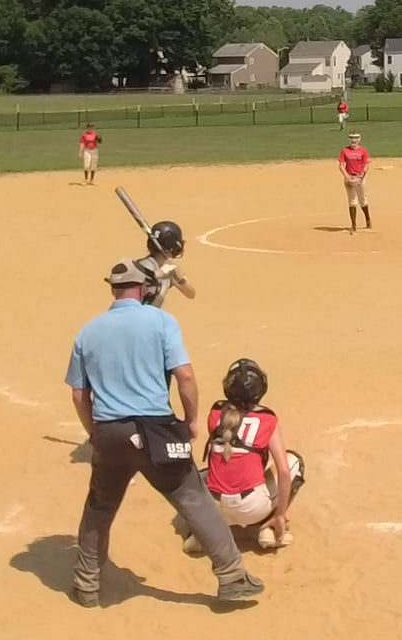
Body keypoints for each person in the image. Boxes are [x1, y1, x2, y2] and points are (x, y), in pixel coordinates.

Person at [64, 260, 264, 608]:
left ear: (113, 289)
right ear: (143, 289)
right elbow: (184, 376)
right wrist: (191, 420)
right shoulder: (160, 321)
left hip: (110, 431)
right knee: (192, 496)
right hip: (156, 429)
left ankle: (87, 585)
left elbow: (79, 394)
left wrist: (95, 433)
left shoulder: (88, 332)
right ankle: (232, 576)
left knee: (100, 506)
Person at [176, 358, 304, 554]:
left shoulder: (216, 412)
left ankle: (204, 534)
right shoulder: (267, 419)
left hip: (215, 508)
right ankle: (269, 529)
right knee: (294, 462)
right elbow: (284, 472)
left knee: (206, 473)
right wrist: (280, 514)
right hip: (251, 508)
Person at [112, 220, 196, 308]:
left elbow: (191, 294)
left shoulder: (170, 268)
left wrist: (180, 280)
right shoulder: (140, 267)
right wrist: (156, 275)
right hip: (136, 314)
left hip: (155, 314)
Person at [338, 132, 372, 234]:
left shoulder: (363, 151)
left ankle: (368, 220)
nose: (354, 140)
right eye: (352, 138)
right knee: (352, 201)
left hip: (360, 178)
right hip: (350, 177)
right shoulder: (345, 151)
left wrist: (361, 176)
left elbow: (366, 165)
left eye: (356, 138)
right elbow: (341, 166)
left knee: (363, 200)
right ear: (349, 139)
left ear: (359, 139)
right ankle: (353, 224)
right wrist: (347, 177)